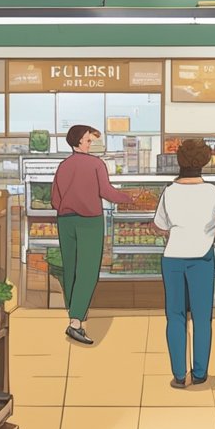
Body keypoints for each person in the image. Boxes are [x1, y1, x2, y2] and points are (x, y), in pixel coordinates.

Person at [153, 139, 215, 388]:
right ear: (205, 161)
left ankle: (178, 374)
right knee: (202, 317)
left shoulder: (169, 191)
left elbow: (159, 226)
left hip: (173, 258)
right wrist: (205, 236)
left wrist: (176, 232)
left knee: (175, 316)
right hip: (202, 259)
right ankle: (199, 374)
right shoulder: (211, 191)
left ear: (179, 160)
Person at [51, 124, 135, 345]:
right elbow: (106, 192)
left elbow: (54, 200)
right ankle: (75, 323)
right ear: (78, 141)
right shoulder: (96, 164)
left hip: (65, 221)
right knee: (88, 270)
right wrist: (129, 198)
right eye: (88, 140)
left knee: (71, 267)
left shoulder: (63, 166)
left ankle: (74, 310)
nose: (91, 144)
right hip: (90, 221)